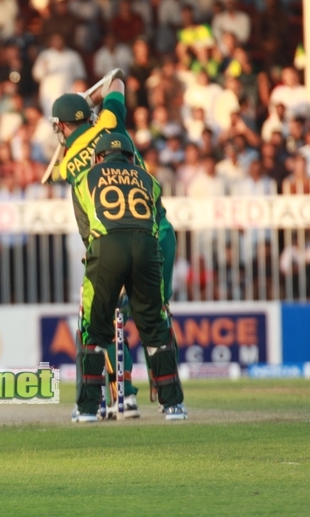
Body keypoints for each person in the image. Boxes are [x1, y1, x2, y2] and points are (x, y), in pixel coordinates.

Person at [49, 73, 178, 416]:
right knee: (155, 318)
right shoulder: (110, 122)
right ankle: (170, 400)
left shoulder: (70, 167)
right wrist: (95, 101)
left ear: (60, 126)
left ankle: (121, 394)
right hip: (157, 234)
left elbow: (87, 227)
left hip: (108, 239)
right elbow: (118, 80)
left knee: (101, 317)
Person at [70, 133, 186, 422]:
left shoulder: (84, 178)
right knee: (155, 327)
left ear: (98, 157)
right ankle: (173, 406)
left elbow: (87, 234)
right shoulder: (150, 179)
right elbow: (156, 223)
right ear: (131, 158)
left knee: (94, 328)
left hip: (107, 246)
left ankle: (86, 409)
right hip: (146, 246)